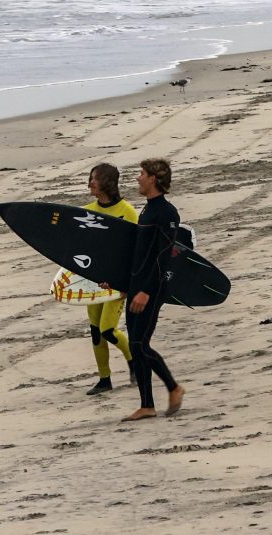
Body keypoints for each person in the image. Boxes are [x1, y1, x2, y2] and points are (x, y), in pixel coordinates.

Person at [121, 157, 185, 422]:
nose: (138, 178)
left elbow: (163, 256)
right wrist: (124, 284)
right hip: (136, 286)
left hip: (152, 287)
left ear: (154, 179)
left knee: (140, 344)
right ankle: (147, 405)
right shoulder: (147, 211)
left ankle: (173, 388)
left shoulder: (167, 214)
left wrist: (146, 290)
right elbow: (139, 255)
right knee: (137, 347)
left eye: (141, 173)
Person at [79, 163, 139, 396]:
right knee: (96, 331)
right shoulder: (86, 212)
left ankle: (133, 361)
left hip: (117, 282)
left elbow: (135, 251)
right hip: (94, 281)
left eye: (95, 178)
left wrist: (126, 284)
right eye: (90, 178)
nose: (90, 183)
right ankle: (104, 379)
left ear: (108, 182)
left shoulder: (127, 212)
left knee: (107, 329)